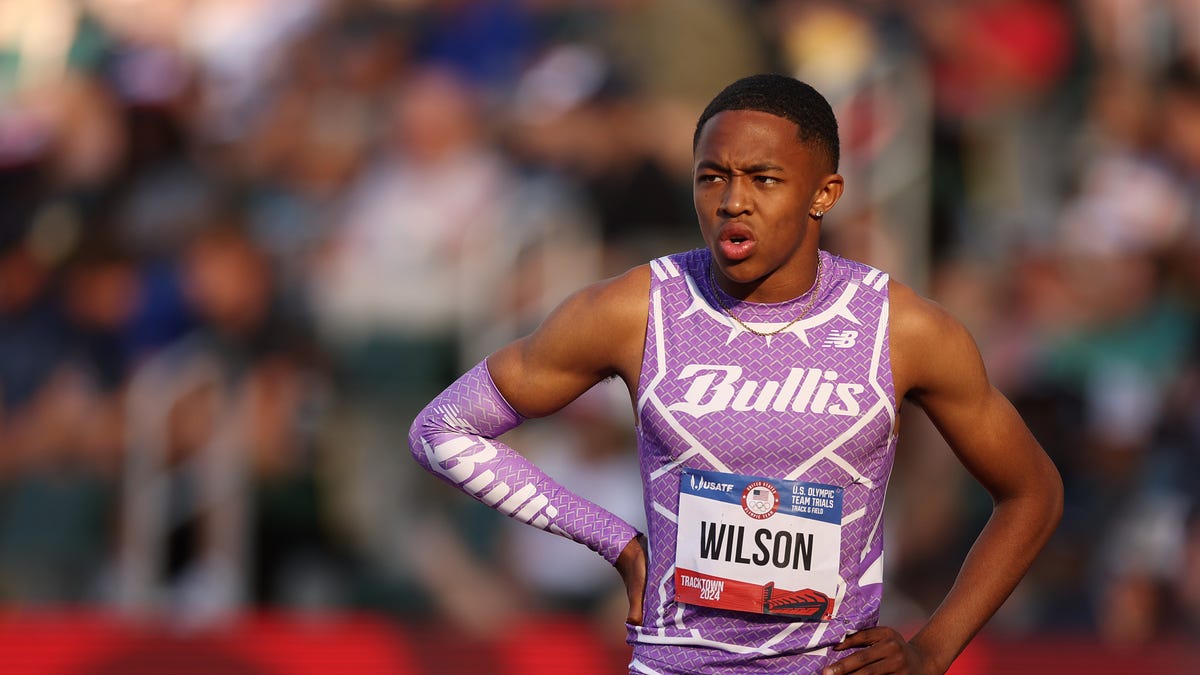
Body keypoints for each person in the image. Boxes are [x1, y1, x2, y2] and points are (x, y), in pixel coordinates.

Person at [408, 73, 1063, 674]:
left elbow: (1033, 492)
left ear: (824, 193)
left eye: (764, 178)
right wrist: (619, 543)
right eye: (712, 177)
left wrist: (931, 650)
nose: (732, 201)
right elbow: (443, 428)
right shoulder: (635, 310)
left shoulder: (904, 329)